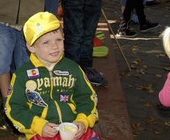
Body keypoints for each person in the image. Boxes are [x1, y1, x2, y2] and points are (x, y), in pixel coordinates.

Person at [6, 12, 100, 140]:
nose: (54, 46)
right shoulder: (23, 75)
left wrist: (83, 121)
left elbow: (87, 97)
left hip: (73, 128)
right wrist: (38, 125)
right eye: (46, 42)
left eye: (58, 40)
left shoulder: (73, 68)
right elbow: (14, 107)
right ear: (31, 47)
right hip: (41, 132)